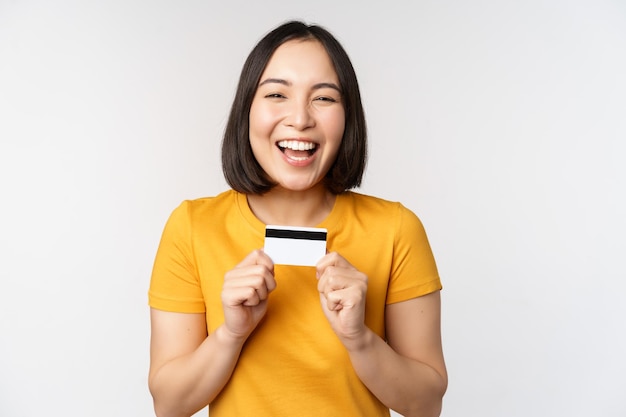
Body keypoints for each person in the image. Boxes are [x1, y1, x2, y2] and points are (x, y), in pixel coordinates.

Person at [148, 20, 447, 417]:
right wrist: (231, 334)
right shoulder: (191, 226)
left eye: (323, 99)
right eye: (276, 94)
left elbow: (426, 405)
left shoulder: (396, 229)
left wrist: (359, 338)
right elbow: (169, 405)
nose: (300, 118)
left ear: (348, 117)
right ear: (246, 110)